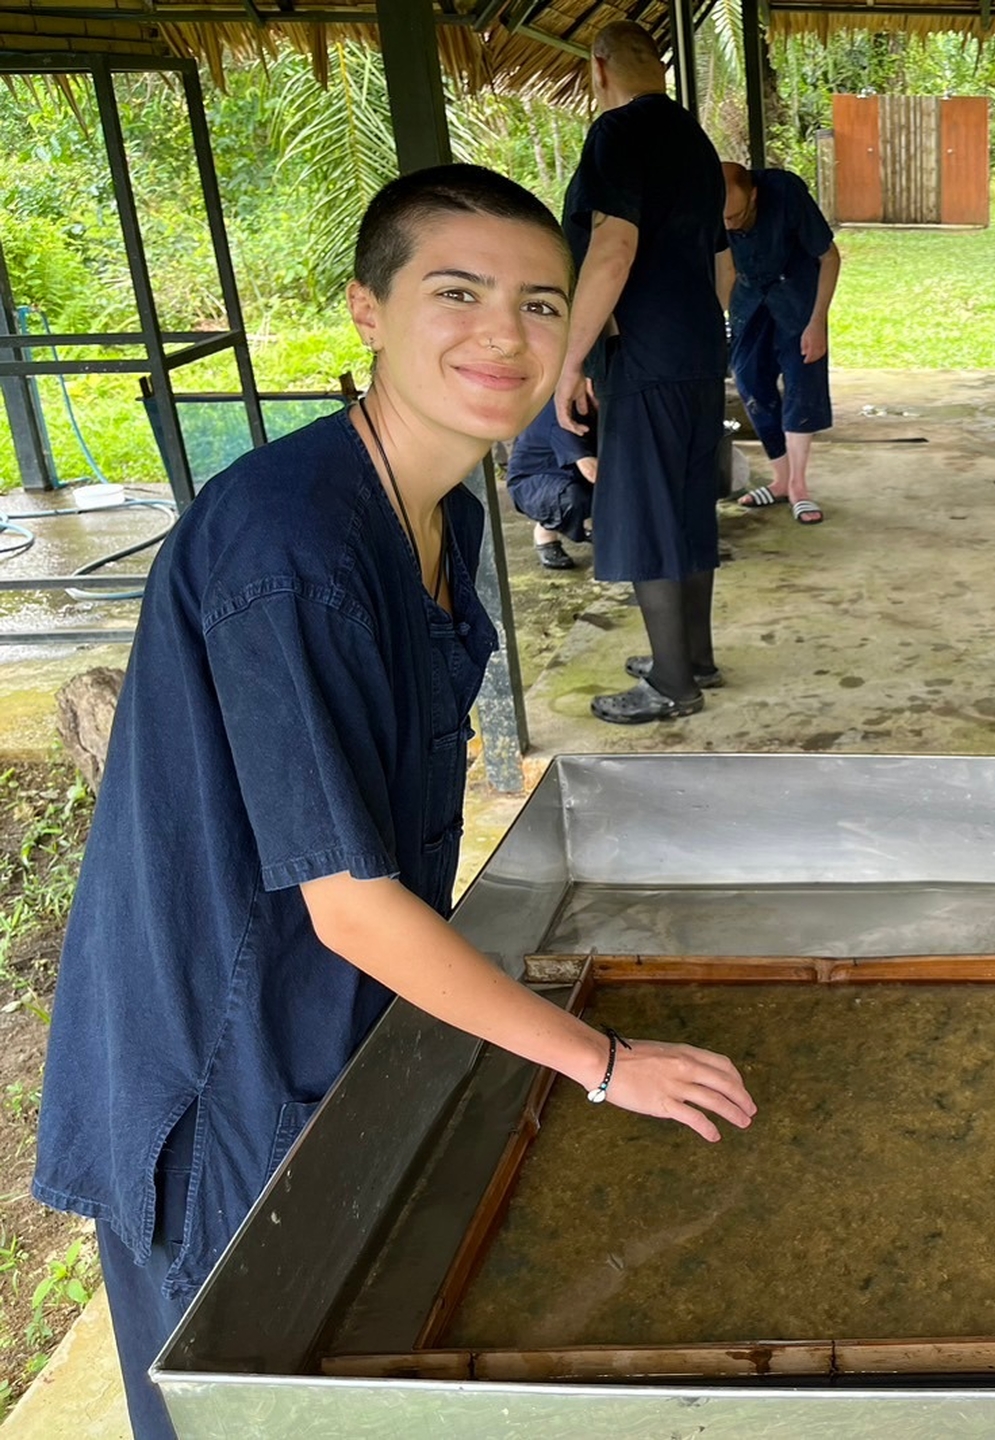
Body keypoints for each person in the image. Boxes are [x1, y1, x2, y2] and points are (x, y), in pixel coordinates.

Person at [31, 166, 757, 1440]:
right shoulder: (290, 544)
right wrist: (600, 1063)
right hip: (219, 1059)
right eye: (456, 294)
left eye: (540, 304)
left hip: (325, 1020)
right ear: (367, 310)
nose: (505, 335)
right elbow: (352, 907)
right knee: (251, 1400)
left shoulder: (433, 516)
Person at [554, 20, 731, 723]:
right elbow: (723, 262)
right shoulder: (694, 139)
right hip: (697, 351)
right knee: (687, 507)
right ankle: (693, 656)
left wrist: (572, 360)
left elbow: (613, 248)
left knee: (648, 514)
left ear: (599, 68)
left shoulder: (617, 133)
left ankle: (672, 685)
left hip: (647, 356)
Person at [719, 160, 840, 525]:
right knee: (749, 382)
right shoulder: (710, 207)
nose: (729, 224)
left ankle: (799, 487)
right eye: (723, 219)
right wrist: (722, 318)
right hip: (749, 301)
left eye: (736, 216)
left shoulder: (786, 192)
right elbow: (724, 267)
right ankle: (781, 480)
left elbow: (829, 257)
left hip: (798, 299)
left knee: (802, 385)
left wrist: (816, 323)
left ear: (754, 195)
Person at [506, 395, 596, 569]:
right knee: (573, 499)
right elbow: (591, 471)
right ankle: (546, 534)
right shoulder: (561, 412)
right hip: (533, 483)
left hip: (571, 476)